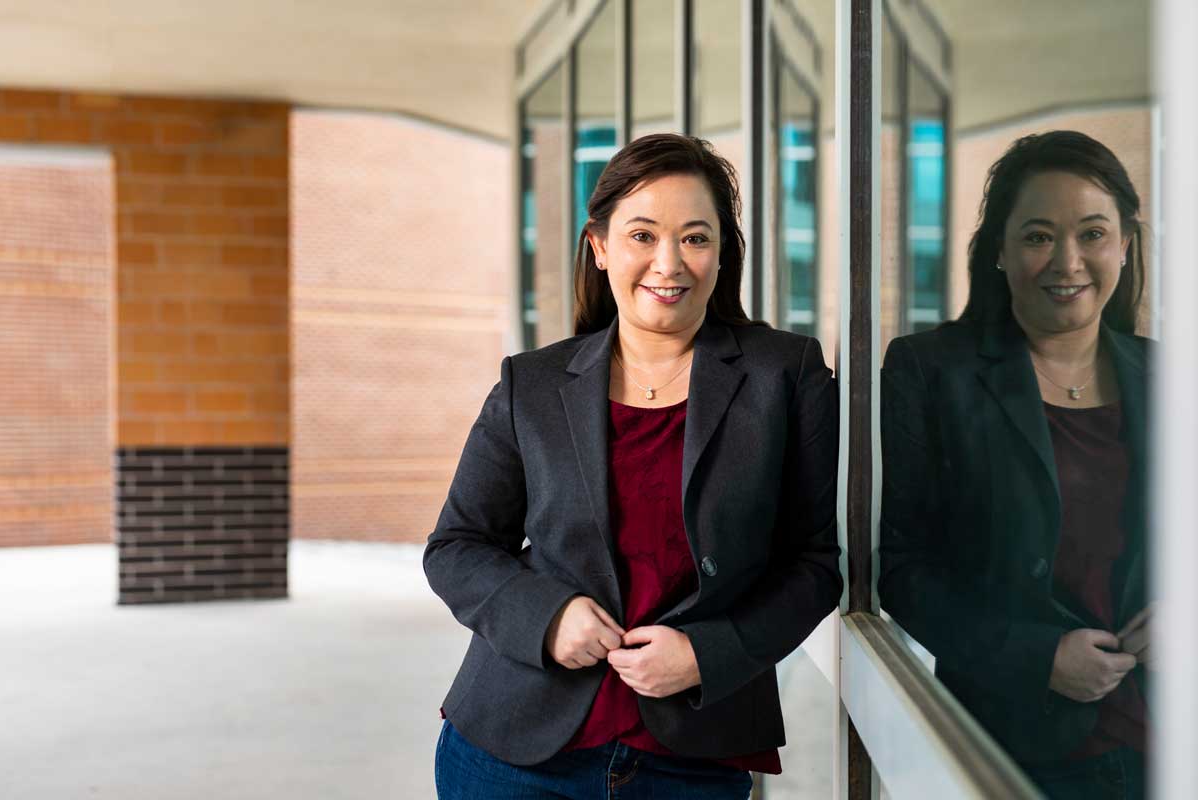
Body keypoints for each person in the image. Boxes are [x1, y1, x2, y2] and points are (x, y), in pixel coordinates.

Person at [425, 133, 842, 799]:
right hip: (512, 753)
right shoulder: (530, 385)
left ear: (722, 250)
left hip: (694, 760)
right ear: (599, 246)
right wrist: (548, 617)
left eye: (695, 238)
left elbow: (815, 564)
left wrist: (710, 653)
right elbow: (457, 547)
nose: (668, 263)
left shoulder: (785, 376)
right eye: (643, 235)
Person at [879, 130, 1152, 799]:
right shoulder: (930, 371)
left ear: (1124, 244)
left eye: (1092, 233)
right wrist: (1036, 658)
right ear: (999, 251)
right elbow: (903, 571)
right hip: (1009, 746)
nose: (1068, 260)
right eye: (1037, 236)